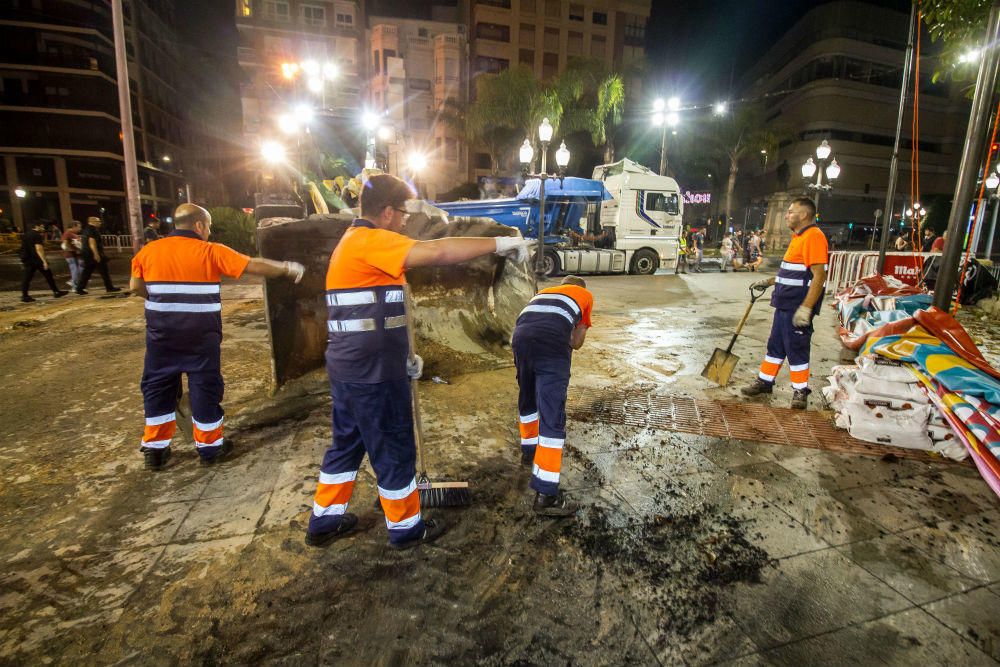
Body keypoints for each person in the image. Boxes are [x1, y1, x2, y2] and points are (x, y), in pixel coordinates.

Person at [305, 174, 533, 550]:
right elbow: (440, 252)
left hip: (353, 368)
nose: (407, 223)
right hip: (374, 373)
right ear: (389, 212)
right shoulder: (372, 240)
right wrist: (500, 243)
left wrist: (405, 357)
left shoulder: (353, 243)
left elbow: (378, 314)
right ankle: (407, 528)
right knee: (394, 446)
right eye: (405, 214)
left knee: (347, 445)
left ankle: (323, 522)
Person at [129, 203, 305, 472]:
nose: (209, 231)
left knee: (157, 387)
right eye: (208, 226)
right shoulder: (210, 251)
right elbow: (252, 265)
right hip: (200, 335)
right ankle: (210, 448)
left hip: (161, 335)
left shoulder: (148, 251)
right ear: (199, 225)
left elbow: (135, 288)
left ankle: (155, 450)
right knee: (204, 386)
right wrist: (286, 268)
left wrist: (166, 302)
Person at [513, 275, 593, 518]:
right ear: (581, 288)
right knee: (552, 415)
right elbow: (576, 342)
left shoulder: (544, 293)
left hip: (520, 339)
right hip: (551, 344)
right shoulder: (585, 296)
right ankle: (546, 494)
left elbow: (528, 321)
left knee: (527, 398)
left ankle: (529, 453)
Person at [741, 198, 828, 410]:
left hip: (797, 306)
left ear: (804, 215)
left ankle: (800, 390)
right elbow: (790, 272)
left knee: (797, 348)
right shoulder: (798, 237)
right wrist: (769, 282)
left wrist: (806, 308)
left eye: (790, 212)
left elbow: (819, 276)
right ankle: (765, 381)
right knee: (776, 346)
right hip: (784, 304)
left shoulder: (814, 236)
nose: (787, 215)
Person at [20, 221, 68, 303]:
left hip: (28, 259)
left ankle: (24, 295)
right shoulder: (36, 235)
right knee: (48, 275)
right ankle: (56, 292)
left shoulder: (26, 235)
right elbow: (38, 248)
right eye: (41, 226)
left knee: (27, 278)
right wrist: (44, 261)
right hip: (37, 259)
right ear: (36, 226)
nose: (43, 228)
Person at [76, 216, 121, 294]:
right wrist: (96, 254)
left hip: (87, 255)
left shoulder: (86, 230)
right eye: (98, 221)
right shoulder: (92, 230)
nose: (100, 223)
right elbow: (92, 243)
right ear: (93, 222)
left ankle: (80, 288)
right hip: (93, 254)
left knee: (87, 271)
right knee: (104, 271)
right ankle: (109, 287)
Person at [60, 220, 83, 290]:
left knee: (79, 269)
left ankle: (74, 283)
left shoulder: (72, 234)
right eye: (79, 227)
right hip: (70, 255)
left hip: (74, 254)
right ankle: (75, 286)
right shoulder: (68, 233)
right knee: (75, 270)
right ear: (73, 226)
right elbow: (65, 243)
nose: (80, 229)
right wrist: (72, 249)